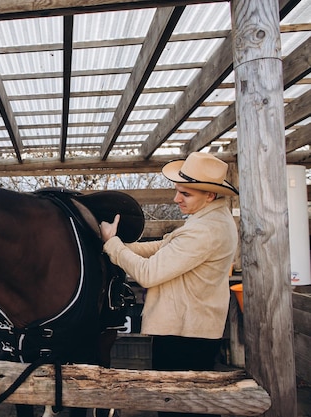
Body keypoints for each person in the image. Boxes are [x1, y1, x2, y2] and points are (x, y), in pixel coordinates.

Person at [100, 152, 239, 417]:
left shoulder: (203, 231)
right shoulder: (210, 219)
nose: (176, 199)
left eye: (185, 194)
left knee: (177, 409)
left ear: (209, 195)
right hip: (191, 329)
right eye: (177, 191)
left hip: (184, 334)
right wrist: (121, 246)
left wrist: (112, 244)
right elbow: (165, 246)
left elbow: (149, 274)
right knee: (191, 406)